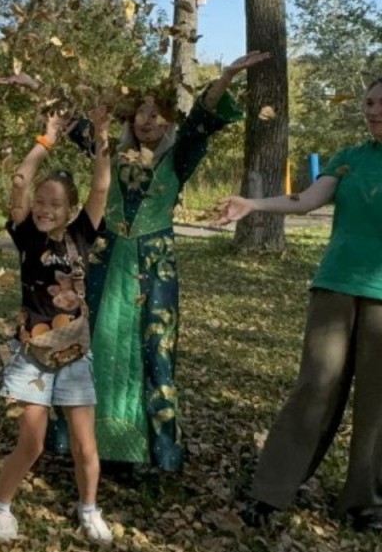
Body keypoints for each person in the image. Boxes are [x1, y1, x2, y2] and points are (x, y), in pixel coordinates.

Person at [84, 51, 269, 472]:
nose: (147, 121)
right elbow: (72, 125)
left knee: (153, 348)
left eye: (157, 114)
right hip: (106, 260)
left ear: (168, 121)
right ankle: (90, 442)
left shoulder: (177, 158)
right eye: (140, 114)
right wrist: (34, 87)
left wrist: (225, 77)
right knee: (100, 340)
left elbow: (203, 120)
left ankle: (148, 450)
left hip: (153, 265)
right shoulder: (110, 153)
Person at [217, 77, 382, 531]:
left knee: (377, 404)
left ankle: (364, 503)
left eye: (381, 104)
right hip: (335, 286)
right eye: (369, 102)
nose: (373, 110)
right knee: (314, 387)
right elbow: (307, 200)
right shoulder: (349, 158)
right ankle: (271, 493)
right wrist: (252, 204)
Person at [0, 105, 113, 544]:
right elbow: (19, 180)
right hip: (32, 355)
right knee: (33, 443)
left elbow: (101, 184)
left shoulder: (82, 234)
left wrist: (101, 137)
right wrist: (47, 138)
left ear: (70, 209)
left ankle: (89, 510)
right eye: (41, 202)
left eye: (55, 204)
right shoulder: (27, 235)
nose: (44, 209)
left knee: (85, 445)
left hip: (74, 352)